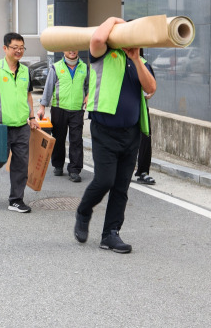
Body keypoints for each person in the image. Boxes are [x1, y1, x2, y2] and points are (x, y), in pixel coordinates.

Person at [74, 17, 156, 253]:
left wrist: (136, 59)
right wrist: (113, 19)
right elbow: (98, 37)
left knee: (121, 186)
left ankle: (110, 233)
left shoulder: (140, 61)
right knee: (105, 180)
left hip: (131, 133)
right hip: (104, 131)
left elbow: (151, 88)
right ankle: (84, 210)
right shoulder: (102, 54)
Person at [0, 32, 40, 213]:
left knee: (21, 163)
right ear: (5, 48)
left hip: (21, 125)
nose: (19, 51)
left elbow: (28, 96)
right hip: (0, 126)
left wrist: (32, 117)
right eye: (15, 48)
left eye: (22, 48)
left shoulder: (26, 71)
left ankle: (16, 200)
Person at [37, 50, 89, 183]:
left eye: (74, 48)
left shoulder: (84, 67)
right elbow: (48, 88)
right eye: (68, 48)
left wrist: (88, 95)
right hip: (59, 108)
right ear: (64, 50)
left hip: (77, 109)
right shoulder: (56, 67)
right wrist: (42, 106)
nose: (72, 51)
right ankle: (58, 165)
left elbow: (89, 86)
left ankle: (75, 170)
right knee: (59, 138)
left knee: (76, 140)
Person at [134, 51, 155, 185]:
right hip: (120, 108)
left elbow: (150, 89)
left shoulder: (144, 64)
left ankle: (143, 172)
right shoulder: (115, 60)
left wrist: (149, 91)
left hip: (140, 107)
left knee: (145, 139)